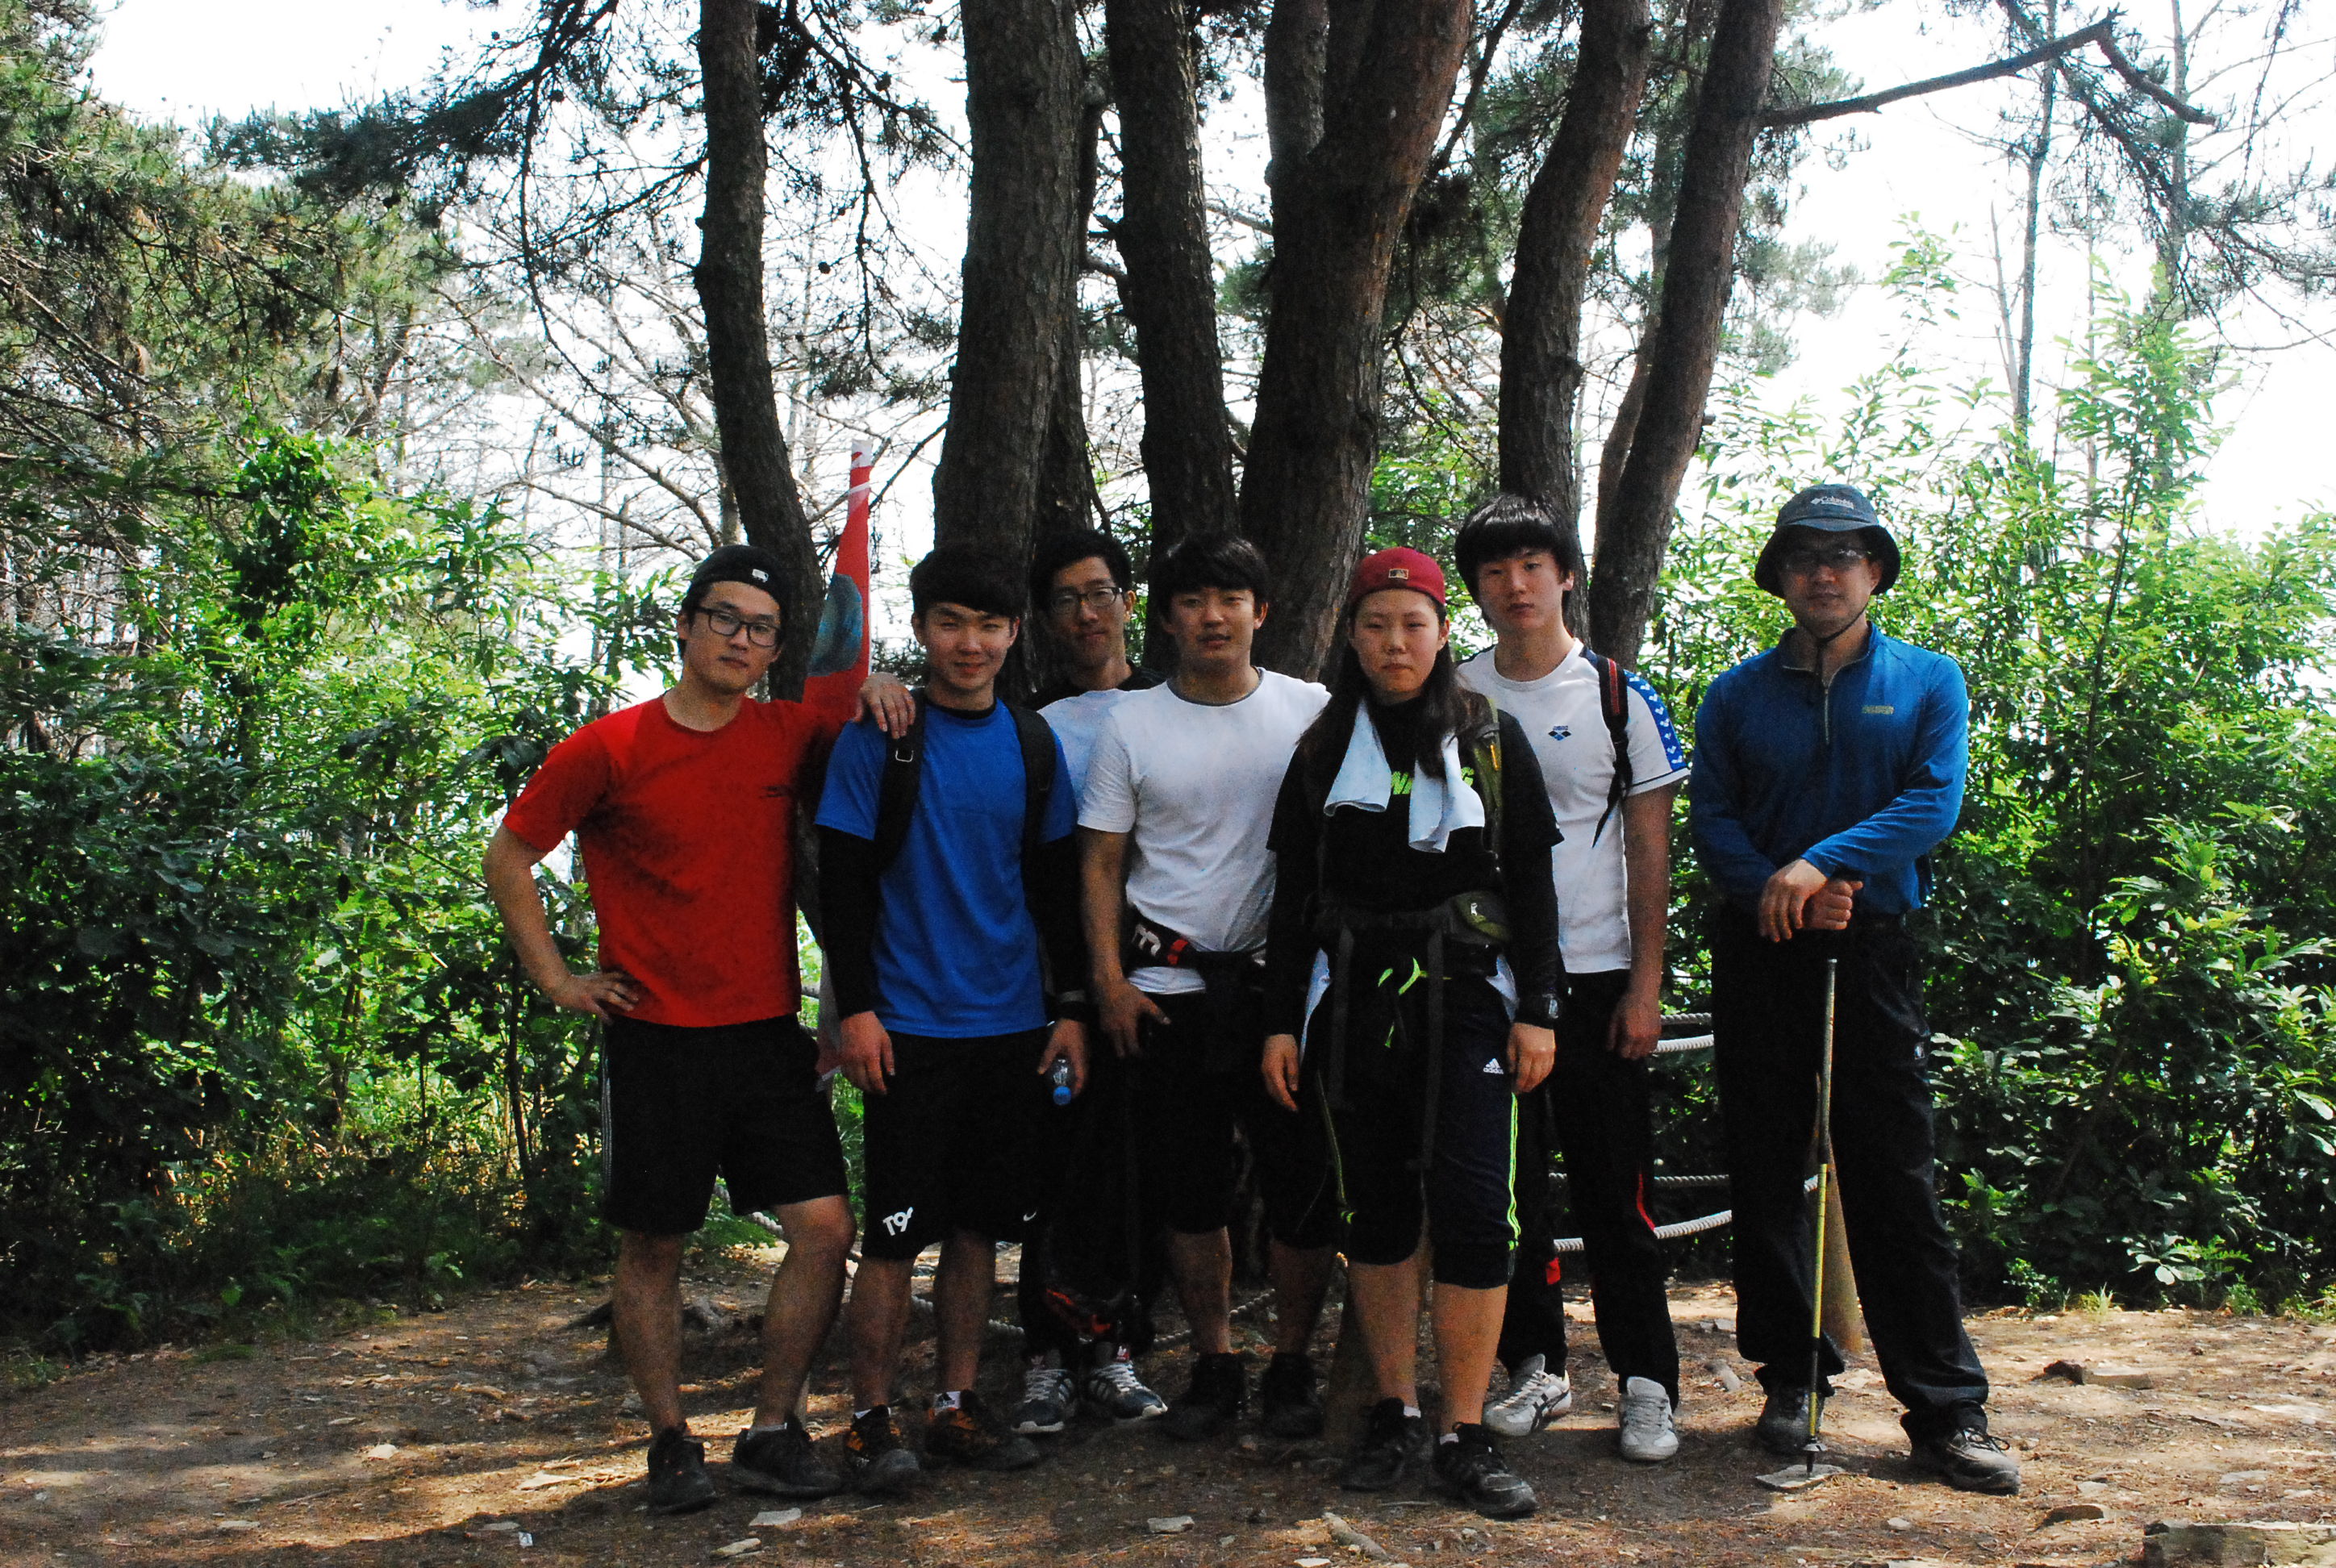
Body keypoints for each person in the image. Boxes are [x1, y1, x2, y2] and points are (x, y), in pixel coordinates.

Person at [482, 544, 911, 1514]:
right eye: (724, 619)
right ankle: (670, 1441)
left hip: (764, 1033)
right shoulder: (610, 746)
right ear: (685, 626)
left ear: (775, 650)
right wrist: (555, 978)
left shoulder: (785, 735)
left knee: (824, 1231)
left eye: (761, 629)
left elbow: (860, 727)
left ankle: (771, 1428)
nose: (740, 640)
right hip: (654, 1036)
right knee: (655, 1245)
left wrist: (880, 684)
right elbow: (509, 856)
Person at [1690, 483, 2018, 1495]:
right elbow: (1714, 821)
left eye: (1843, 556)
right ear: (1780, 577)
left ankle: (1946, 1410)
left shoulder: (1927, 679)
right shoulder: (1735, 695)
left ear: (1874, 570)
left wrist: (1822, 865)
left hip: (1871, 949)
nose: (1822, 574)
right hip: (1761, 947)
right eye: (1803, 558)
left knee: (1892, 1176)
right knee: (1764, 1170)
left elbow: (1933, 801)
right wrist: (1778, 890)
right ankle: (1790, 1379)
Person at [1260, 546, 1563, 1520]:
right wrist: (1278, 1022)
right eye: (1377, 625)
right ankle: (1393, 1409)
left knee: (1476, 1208)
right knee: (1377, 1209)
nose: (1396, 643)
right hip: (1352, 998)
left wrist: (1539, 1009)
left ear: (1442, 634)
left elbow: (1534, 884)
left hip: (1470, 995)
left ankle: (1463, 1430)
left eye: (1414, 624)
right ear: (1351, 636)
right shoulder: (1319, 751)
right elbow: (1291, 898)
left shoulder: (1491, 740)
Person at [815, 545, 1091, 1492]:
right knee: (895, 1236)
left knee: (979, 1231)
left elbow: (1053, 889)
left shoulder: (1033, 745)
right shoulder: (879, 738)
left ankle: (955, 1405)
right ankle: (869, 1419)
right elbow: (842, 887)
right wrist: (856, 1012)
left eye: (988, 625)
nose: (969, 644)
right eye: (950, 623)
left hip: (1010, 1026)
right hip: (908, 1030)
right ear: (922, 628)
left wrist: (1068, 1011)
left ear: (1014, 634)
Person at [1078, 534, 1339, 1443]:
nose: (1213, 617)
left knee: (1301, 1187)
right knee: (1188, 1193)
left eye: (1231, 599)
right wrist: (1108, 983)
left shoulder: (1311, 710)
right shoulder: (1132, 724)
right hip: (1168, 988)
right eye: (1192, 600)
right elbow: (1101, 860)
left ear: (1261, 612)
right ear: (1165, 618)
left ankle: (1294, 1364)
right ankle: (1215, 1360)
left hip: (1284, 991)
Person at [1451, 494, 1690, 1464]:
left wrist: (1645, 988)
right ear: (1474, 589)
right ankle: (1534, 1365)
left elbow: (1649, 852)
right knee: (1506, 1192)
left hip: (1596, 980)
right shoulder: (1453, 693)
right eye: (1494, 571)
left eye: (1532, 566)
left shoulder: (1618, 697)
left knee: (1614, 1191)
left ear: (1566, 576)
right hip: (1487, 980)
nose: (1515, 586)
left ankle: (1647, 1383)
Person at [1012, 528, 1172, 1435]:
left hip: (1168, 979)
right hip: (1057, 986)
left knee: (1142, 1167)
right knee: (1055, 1163)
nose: (1087, 613)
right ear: (1044, 618)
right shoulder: (1029, 726)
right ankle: (1045, 1354)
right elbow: (1042, 873)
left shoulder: (1173, 705)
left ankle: (1118, 1347)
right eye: (1067, 599)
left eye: (1101, 593)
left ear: (1127, 602)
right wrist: (1075, 991)